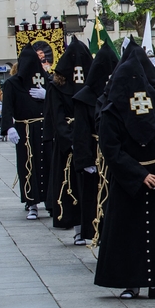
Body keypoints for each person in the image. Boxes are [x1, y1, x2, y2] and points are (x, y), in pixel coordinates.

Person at [93, 45, 155, 301]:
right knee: (128, 232)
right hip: (129, 181)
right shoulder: (112, 111)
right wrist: (138, 174)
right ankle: (129, 282)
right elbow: (110, 148)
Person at [72, 41, 118, 246]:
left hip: (115, 153)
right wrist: (84, 160)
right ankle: (93, 232)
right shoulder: (84, 98)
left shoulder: (119, 93)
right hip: (94, 153)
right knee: (94, 195)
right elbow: (81, 132)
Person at [44, 38, 94, 230]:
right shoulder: (57, 86)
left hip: (89, 140)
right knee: (69, 184)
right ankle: (73, 223)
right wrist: (70, 140)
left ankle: (88, 225)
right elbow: (56, 117)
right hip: (67, 142)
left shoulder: (91, 83)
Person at [2, 46, 49, 219]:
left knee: (47, 164)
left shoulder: (45, 81)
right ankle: (32, 202)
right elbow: (7, 108)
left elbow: (59, 101)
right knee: (28, 165)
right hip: (25, 130)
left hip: (44, 129)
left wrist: (48, 95)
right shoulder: (12, 84)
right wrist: (9, 127)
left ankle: (50, 201)